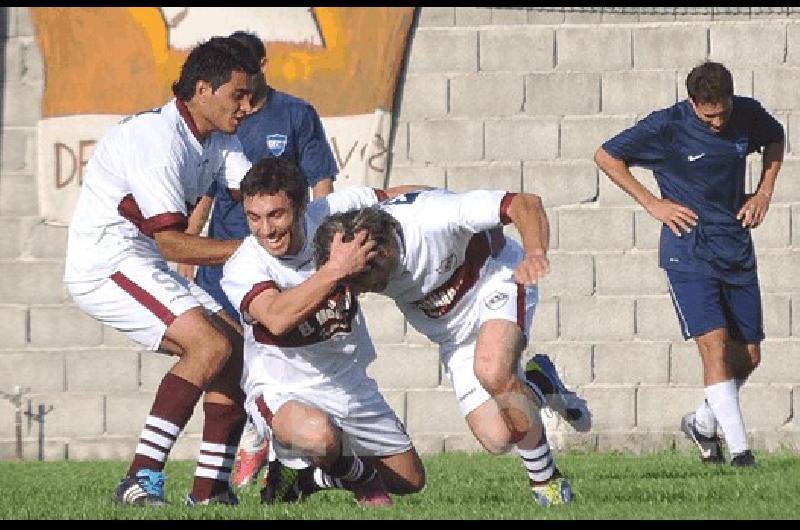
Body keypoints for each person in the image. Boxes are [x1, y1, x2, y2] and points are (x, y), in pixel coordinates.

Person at [63, 37, 260, 506]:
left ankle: (210, 490)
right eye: (238, 94)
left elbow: (257, 192)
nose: (248, 106)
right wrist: (258, 253)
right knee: (208, 345)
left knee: (237, 348)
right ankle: (140, 478)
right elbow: (172, 242)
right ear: (202, 89)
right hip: (106, 262)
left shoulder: (217, 137)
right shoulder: (156, 139)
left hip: (139, 261)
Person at [313, 189, 591, 506]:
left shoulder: (432, 219)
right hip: (451, 333)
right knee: (498, 437)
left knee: (491, 369)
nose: (360, 292)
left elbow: (525, 203)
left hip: (495, 282)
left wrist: (535, 253)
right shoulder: (353, 256)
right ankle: (539, 384)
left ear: (384, 252)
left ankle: (548, 484)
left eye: (362, 282)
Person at [594, 61, 784, 467]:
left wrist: (764, 192)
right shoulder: (666, 127)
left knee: (748, 356)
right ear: (693, 103)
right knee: (712, 348)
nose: (718, 122)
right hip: (689, 250)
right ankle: (740, 453)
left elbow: (775, 137)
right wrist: (652, 203)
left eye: (724, 113)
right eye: (709, 114)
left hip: (735, 246)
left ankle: (701, 423)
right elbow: (607, 156)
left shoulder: (747, 114)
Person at [177, 31, 339, 488]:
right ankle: (233, 455)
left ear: (261, 66)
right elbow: (207, 191)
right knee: (227, 359)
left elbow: (321, 181)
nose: (241, 99)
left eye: (247, 82)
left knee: (278, 356)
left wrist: (320, 243)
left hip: (279, 264)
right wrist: (189, 246)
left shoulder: (296, 113)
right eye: (235, 88)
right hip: (223, 264)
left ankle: (274, 446)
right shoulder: (222, 121)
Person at [219, 157, 426, 506]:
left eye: (276, 215)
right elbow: (277, 318)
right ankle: (356, 477)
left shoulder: (331, 214)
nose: (266, 230)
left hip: (347, 381)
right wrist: (335, 269)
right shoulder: (244, 264)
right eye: (254, 218)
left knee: (410, 480)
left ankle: (305, 477)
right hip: (281, 388)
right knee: (319, 437)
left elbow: (395, 196)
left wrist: (455, 206)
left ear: (301, 207)